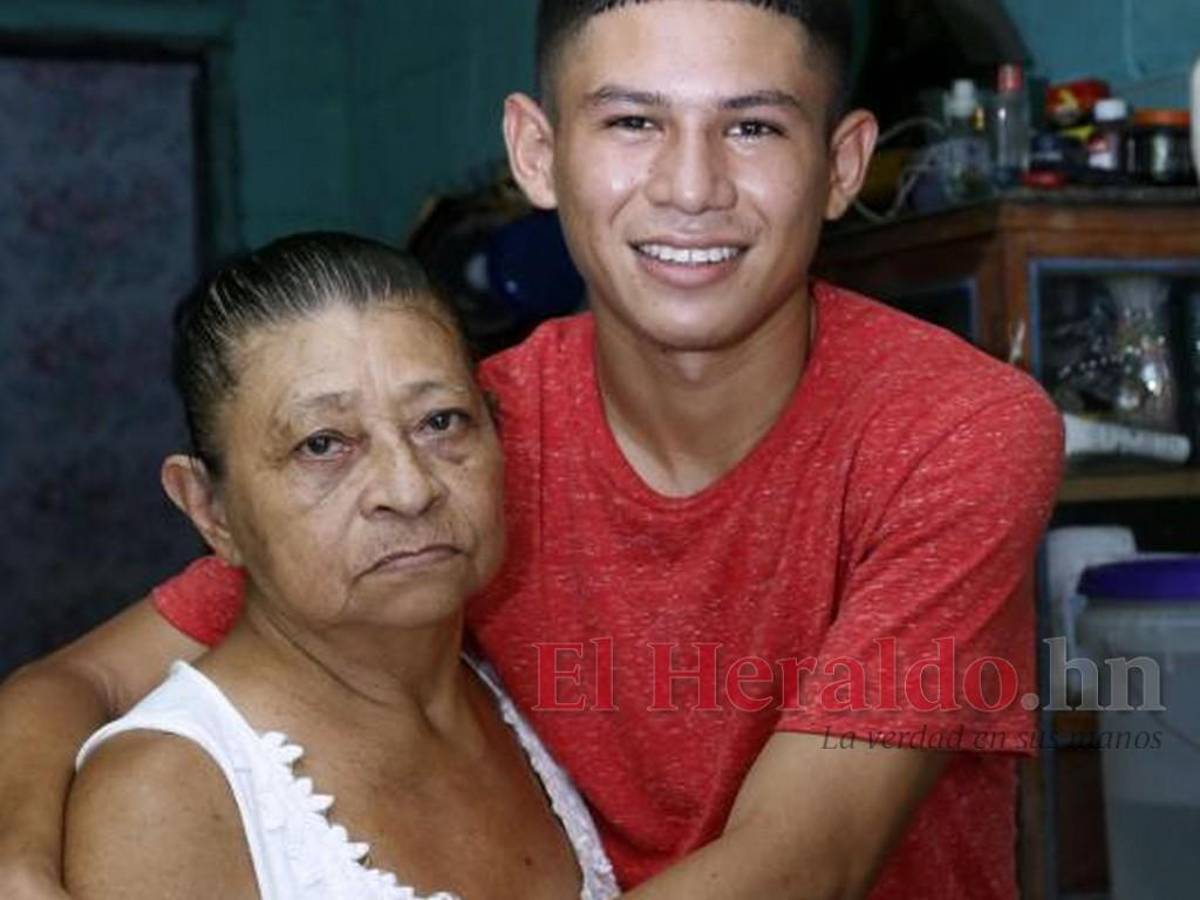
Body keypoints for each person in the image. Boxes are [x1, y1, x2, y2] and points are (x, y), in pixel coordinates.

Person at [0, 2, 1064, 898]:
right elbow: (75, 682)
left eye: (752, 127)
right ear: (538, 154)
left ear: (842, 164)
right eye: (634, 121)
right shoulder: (459, 439)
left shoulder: (956, 431)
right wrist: (19, 867)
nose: (691, 186)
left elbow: (802, 865)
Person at [62, 232, 618, 900]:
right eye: (323, 444)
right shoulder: (167, 796)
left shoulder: (516, 694)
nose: (409, 489)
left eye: (441, 422)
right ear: (209, 508)